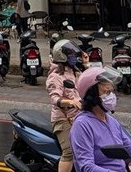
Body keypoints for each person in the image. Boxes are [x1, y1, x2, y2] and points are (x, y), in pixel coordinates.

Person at [69, 67, 131, 172]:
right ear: (92, 95)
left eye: (111, 92)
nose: (111, 97)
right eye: (106, 93)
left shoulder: (112, 121)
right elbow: (86, 166)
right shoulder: (82, 125)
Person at [46, 39, 83, 172]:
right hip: (63, 119)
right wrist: (71, 102)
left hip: (80, 116)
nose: (74, 57)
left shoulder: (76, 72)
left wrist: (87, 63)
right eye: (71, 55)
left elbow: (89, 83)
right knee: (69, 152)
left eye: (74, 54)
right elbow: (55, 98)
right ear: (62, 56)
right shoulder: (55, 76)